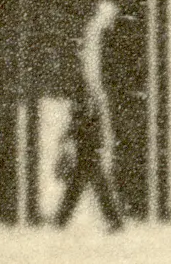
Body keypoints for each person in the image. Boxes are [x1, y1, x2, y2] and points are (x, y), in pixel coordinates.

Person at [51, 90, 126, 229]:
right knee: (90, 188)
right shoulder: (89, 103)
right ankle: (114, 221)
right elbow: (83, 125)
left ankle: (61, 220)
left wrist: (70, 134)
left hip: (88, 151)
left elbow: (81, 125)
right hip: (89, 150)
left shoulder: (86, 104)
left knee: (81, 188)